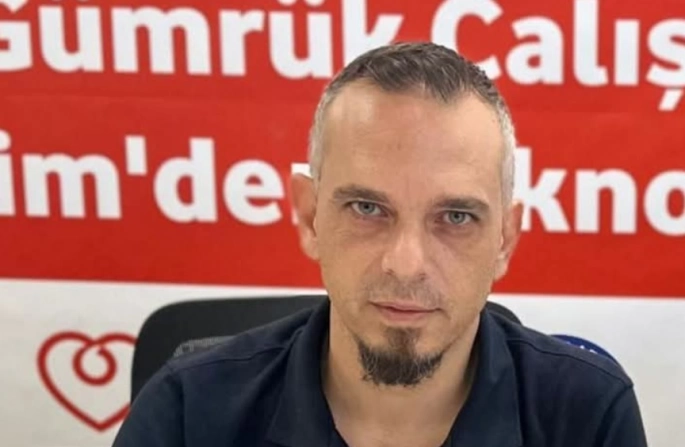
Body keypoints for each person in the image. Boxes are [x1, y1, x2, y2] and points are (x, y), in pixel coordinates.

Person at [113, 42, 647, 447]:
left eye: (455, 217)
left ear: (504, 238)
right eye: (367, 208)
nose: (406, 264)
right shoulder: (189, 412)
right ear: (310, 217)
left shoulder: (587, 417)